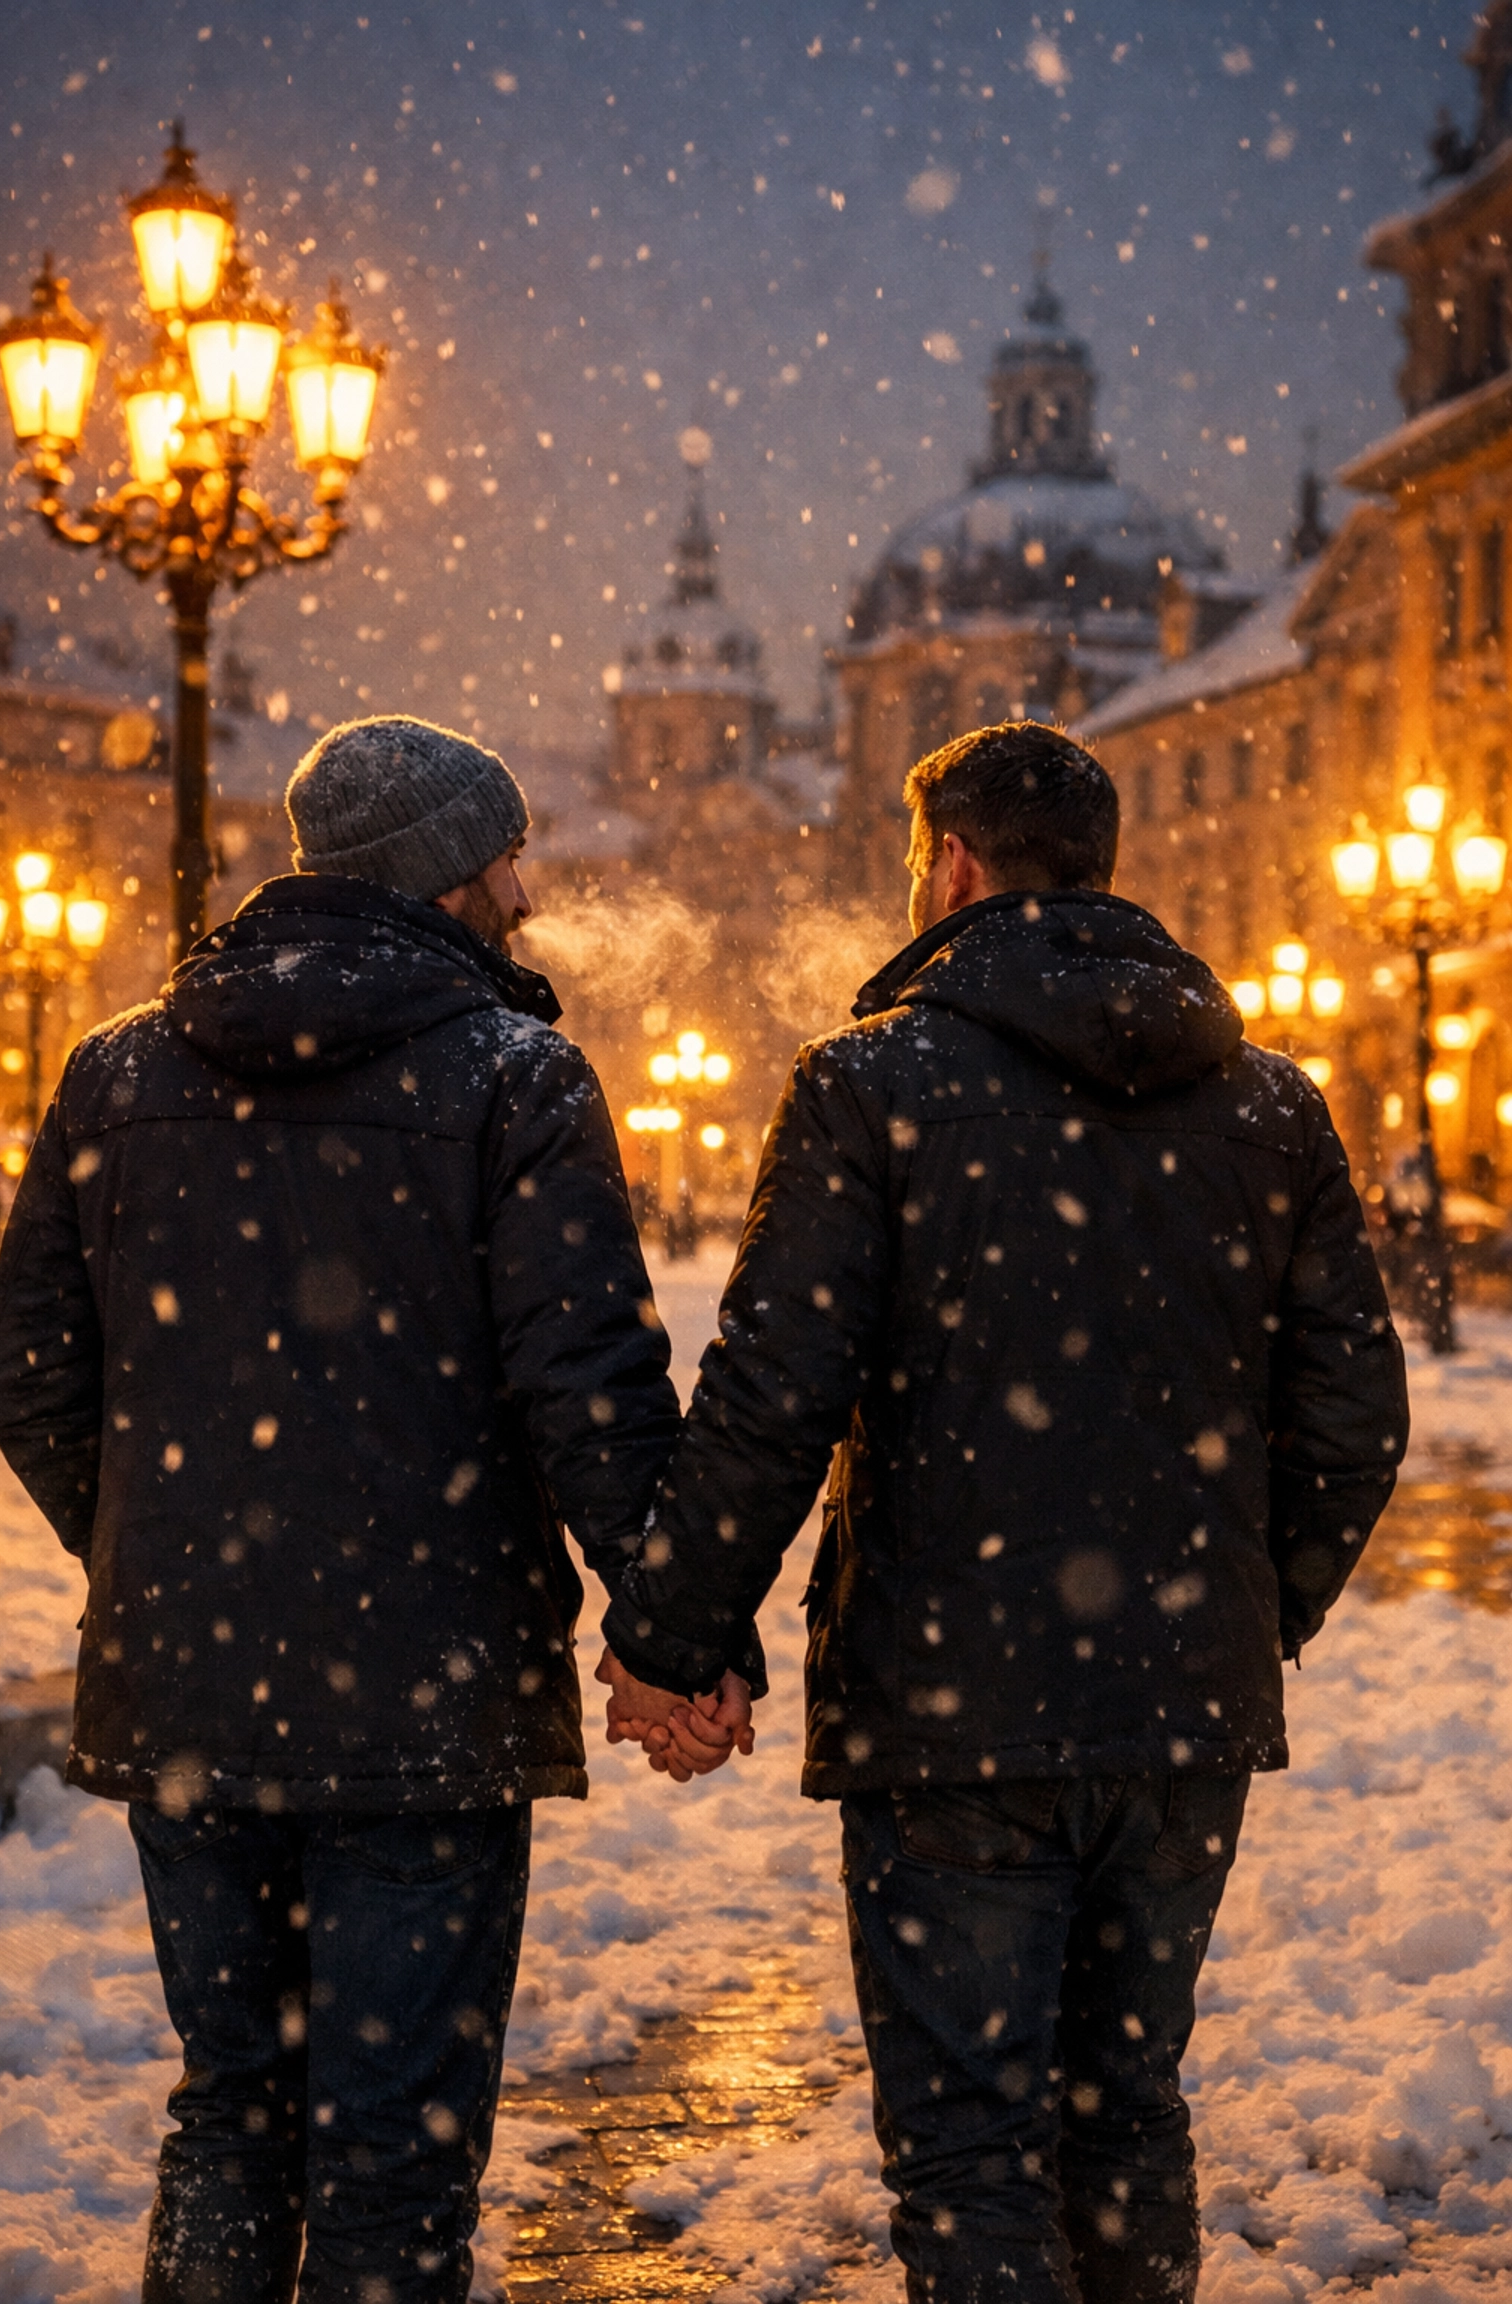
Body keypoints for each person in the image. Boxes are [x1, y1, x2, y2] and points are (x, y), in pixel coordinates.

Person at [599, 721, 1409, 2304]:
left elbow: (776, 1392)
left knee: (970, 2148)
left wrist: (676, 1635)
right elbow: (1356, 1419)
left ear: (953, 865)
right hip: (1180, 1704)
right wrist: (1240, 1600)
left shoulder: (871, 1082)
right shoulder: (1268, 1103)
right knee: (1128, 2114)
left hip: (951, 1700)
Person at [0, 714, 715, 2304]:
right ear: (450, 872)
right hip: (423, 1699)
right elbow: (585, 1381)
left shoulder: (117, 1068)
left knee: (232, 2116)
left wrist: (155, 1543)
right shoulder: (514, 1075)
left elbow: (26, 1366)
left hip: (193, 1689)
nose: (529, 888)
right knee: (394, 2147)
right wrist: (672, 1627)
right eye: (508, 854)